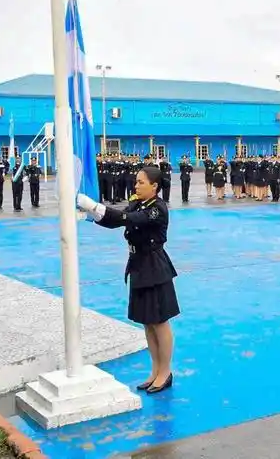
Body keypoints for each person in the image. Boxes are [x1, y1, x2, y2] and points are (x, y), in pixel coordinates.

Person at [77, 166, 179, 394]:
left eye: (141, 182)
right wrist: (93, 212)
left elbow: (130, 218)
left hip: (154, 268)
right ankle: (155, 370)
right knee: (147, 321)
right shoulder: (137, 202)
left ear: (154, 186)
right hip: (138, 265)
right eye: (136, 181)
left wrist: (96, 206)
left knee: (159, 321)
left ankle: (165, 372)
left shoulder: (157, 208)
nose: (136, 185)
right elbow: (117, 220)